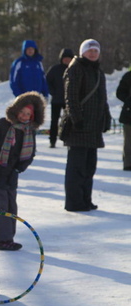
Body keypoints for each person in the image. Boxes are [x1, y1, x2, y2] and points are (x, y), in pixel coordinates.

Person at [0, 92, 46, 251]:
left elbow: (30, 153)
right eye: (22, 112)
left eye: (28, 114)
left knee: (11, 208)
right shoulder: (3, 124)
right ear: (16, 110)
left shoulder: (28, 131)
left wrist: (20, 167)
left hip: (11, 175)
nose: (24, 116)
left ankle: (8, 237)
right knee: (0, 207)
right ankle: (1, 239)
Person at [61, 39, 111, 212]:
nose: (92, 53)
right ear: (82, 52)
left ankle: (85, 199)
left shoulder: (98, 72)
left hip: (94, 127)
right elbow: (71, 97)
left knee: (89, 167)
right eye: (89, 50)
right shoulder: (75, 69)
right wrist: (77, 119)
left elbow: (102, 98)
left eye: (95, 50)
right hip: (78, 128)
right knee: (76, 168)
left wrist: (106, 117)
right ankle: (74, 202)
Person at [45, 48, 74, 148]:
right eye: (65, 58)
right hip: (57, 99)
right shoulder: (55, 69)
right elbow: (47, 81)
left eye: (69, 58)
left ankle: (67, 139)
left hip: (69, 100)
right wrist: (53, 92)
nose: (67, 60)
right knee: (54, 121)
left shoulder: (74, 69)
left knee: (69, 121)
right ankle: (52, 140)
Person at [115, 68, 131, 171]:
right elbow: (119, 93)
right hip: (129, 114)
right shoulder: (128, 76)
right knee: (129, 141)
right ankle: (128, 163)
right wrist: (129, 101)